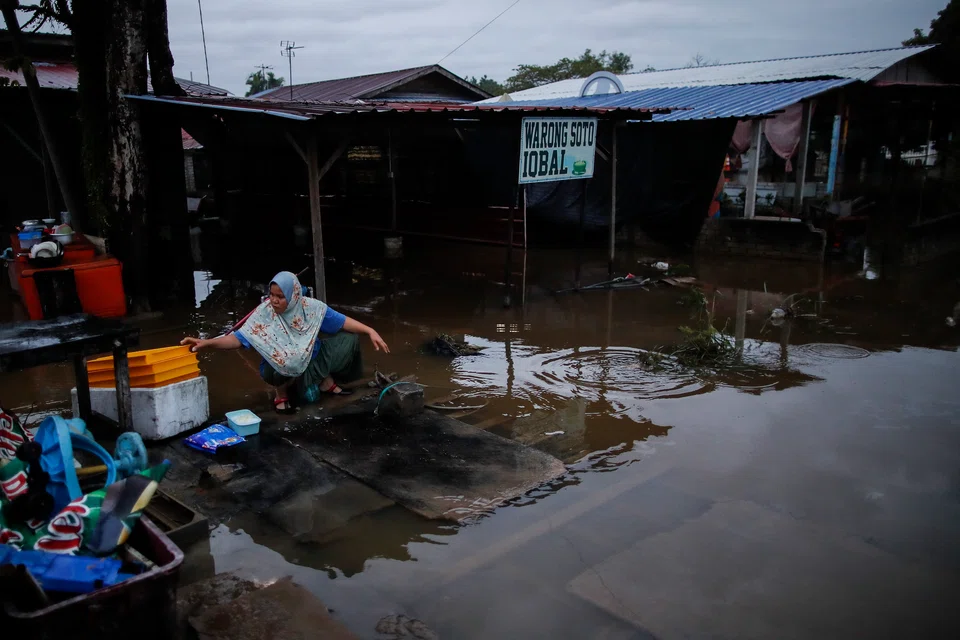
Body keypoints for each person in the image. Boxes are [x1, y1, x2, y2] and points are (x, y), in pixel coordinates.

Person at [181, 271, 389, 413]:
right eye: (271, 295)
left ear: (294, 295)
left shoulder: (311, 308)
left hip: (311, 356)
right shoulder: (264, 313)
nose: (274, 300)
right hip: (280, 365)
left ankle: (324, 381)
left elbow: (342, 322)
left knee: (349, 339)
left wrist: (370, 330)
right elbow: (236, 339)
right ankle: (281, 392)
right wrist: (207, 343)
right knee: (275, 367)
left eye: (280, 296)